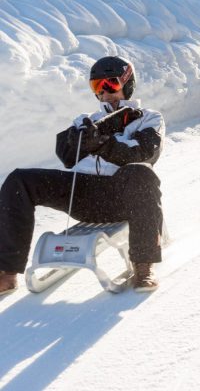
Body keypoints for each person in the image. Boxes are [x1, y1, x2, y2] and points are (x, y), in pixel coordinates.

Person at [0, 56, 165, 296]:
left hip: (122, 197)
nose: (105, 93)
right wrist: (80, 139)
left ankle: (143, 266)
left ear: (127, 83)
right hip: (84, 194)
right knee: (19, 180)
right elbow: (66, 156)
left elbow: (144, 153)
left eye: (111, 84)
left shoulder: (149, 118)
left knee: (141, 172)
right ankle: (6, 272)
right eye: (98, 87)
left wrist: (102, 144)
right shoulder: (87, 120)